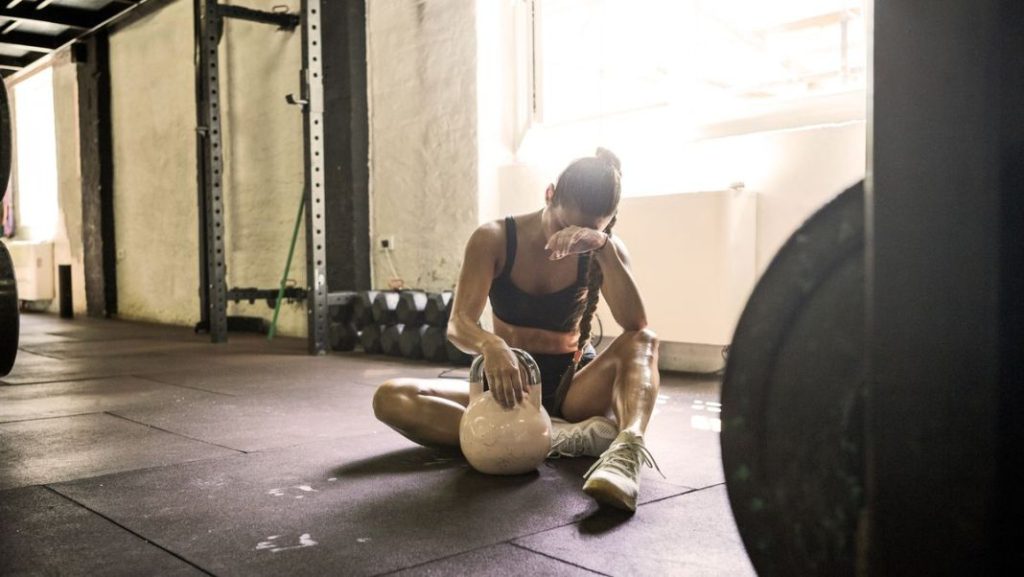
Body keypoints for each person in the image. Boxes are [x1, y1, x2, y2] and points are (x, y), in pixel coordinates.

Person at [373, 148, 661, 512]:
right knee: (392, 398)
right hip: (508, 389)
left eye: (586, 233)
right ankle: (551, 437)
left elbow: (635, 326)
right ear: (549, 194)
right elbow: (459, 324)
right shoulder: (493, 237)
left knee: (645, 341)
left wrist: (601, 247)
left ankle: (627, 450)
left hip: (573, 389)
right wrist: (490, 345)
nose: (570, 241)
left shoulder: (606, 248)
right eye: (564, 226)